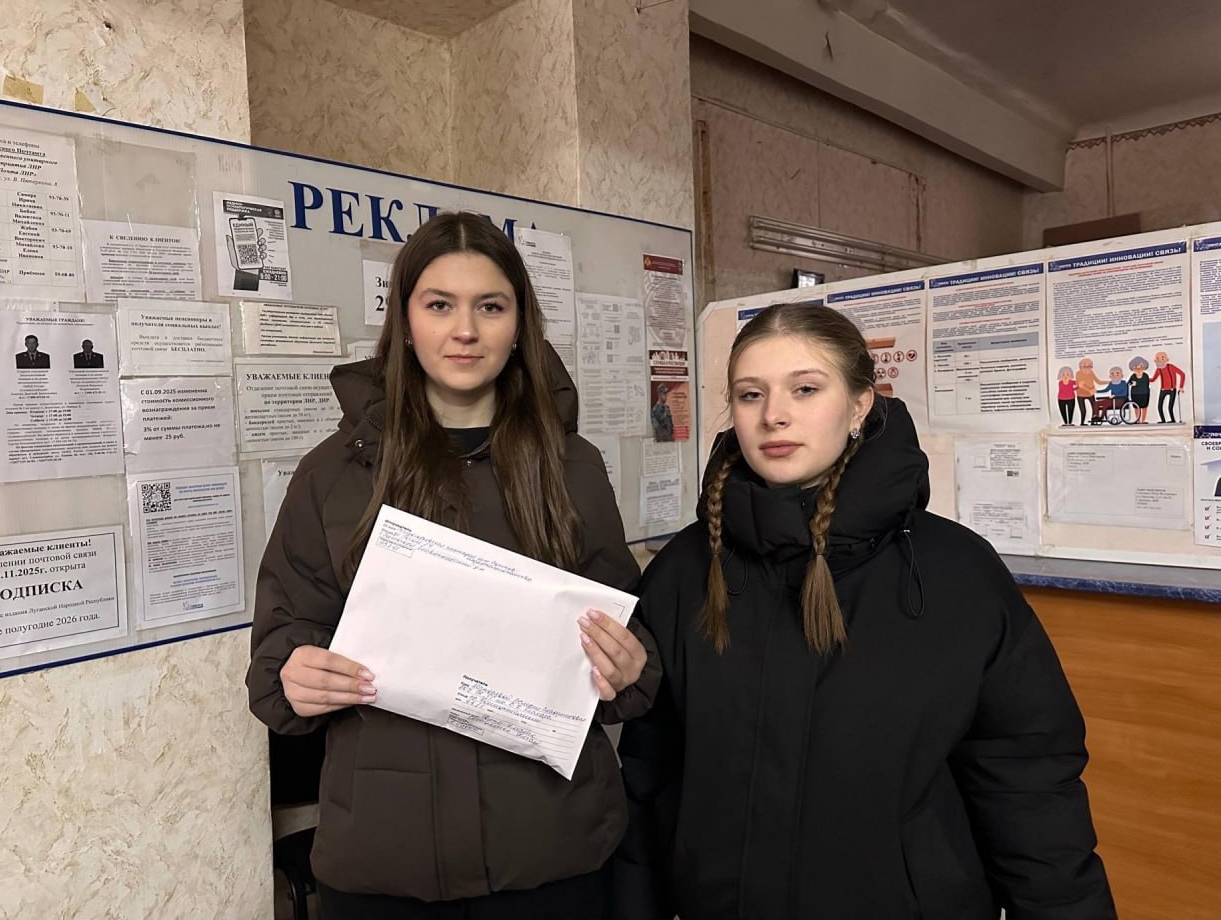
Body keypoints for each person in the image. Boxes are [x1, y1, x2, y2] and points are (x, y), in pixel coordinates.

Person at [615, 303, 1115, 919]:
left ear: (859, 406)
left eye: (805, 389)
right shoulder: (684, 571)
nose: (774, 415)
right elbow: (648, 773)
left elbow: (1029, 781)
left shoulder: (955, 573)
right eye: (750, 394)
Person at [247, 211, 659, 918]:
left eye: (489, 307)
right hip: (385, 862)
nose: (464, 330)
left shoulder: (573, 467)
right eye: (440, 305)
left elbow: (630, 644)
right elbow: (279, 648)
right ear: (405, 322)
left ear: (518, 325)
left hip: (551, 854)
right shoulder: (332, 474)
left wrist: (627, 668)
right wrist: (294, 674)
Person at [1149, 350, 1186, 423]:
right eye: (1158, 358)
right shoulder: (1158, 369)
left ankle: (1173, 420)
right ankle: (1163, 420)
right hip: (1163, 390)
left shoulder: (1171, 367)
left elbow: (1182, 374)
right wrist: (1144, 379)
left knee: (1170, 407)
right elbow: (1153, 379)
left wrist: (1181, 386)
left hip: (1172, 389)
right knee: (1159, 406)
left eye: (1162, 358)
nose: (1160, 360)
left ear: (1167, 359)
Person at [1127, 356, 1151, 423]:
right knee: (1136, 407)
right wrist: (1132, 383)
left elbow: (1147, 383)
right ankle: (1137, 420)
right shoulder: (1133, 376)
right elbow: (1128, 383)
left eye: (1140, 367)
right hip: (1135, 394)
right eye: (1136, 367)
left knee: (1144, 407)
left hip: (1144, 394)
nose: (1138, 369)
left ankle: (1143, 420)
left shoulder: (1146, 375)